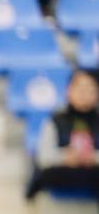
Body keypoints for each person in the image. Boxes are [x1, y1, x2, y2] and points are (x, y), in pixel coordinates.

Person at [27, 69, 99, 203]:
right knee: (49, 175)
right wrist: (65, 157)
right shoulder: (55, 120)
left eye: (90, 89)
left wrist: (93, 157)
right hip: (63, 171)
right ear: (69, 90)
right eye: (80, 88)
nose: (85, 94)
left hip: (94, 170)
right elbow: (44, 156)